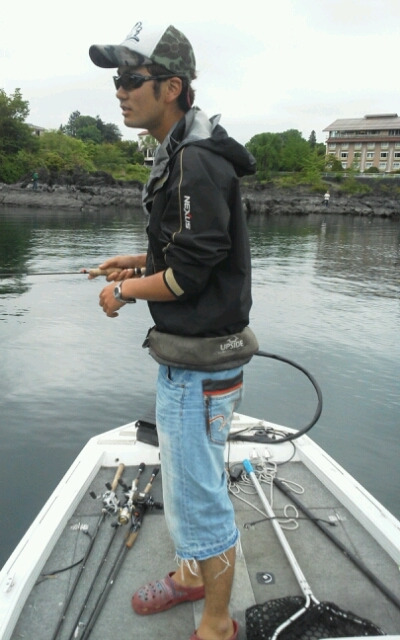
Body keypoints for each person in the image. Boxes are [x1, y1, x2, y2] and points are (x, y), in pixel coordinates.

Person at [89, 22, 256, 640]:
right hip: (192, 360)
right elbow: (190, 252)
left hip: (198, 367)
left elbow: (187, 277)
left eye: (132, 79)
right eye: (117, 79)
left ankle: (216, 625)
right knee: (188, 486)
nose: (120, 91)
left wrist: (122, 292)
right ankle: (190, 574)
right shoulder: (183, 152)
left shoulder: (197, 162)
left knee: (199, 495)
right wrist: (136, 263)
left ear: (172, 87)